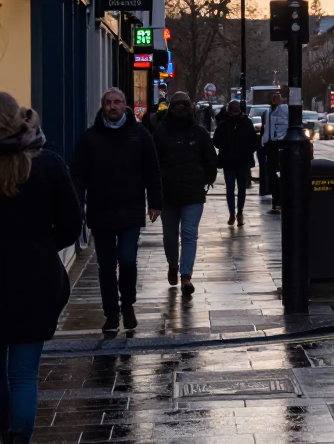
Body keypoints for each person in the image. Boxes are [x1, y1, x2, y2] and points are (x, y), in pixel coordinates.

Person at [0, 95, 82, 444]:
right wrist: (43, 247)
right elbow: (70, 225)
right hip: (35, 282)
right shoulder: (48, 165)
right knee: (23, 374)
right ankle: (19, 437)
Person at [69, 88, 162, 331]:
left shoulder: (139, 134)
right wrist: (78, 204)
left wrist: (155, 202)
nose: (113, 106)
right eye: (109, 102)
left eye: (117, 102)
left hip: (130, 208)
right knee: (107, 265)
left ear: (125, 105)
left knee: (128, 260)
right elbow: (78, 175)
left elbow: (152, 170)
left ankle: (128, 303)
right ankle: (111, 313)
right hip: (101, 211)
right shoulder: (90, 138)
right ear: (103, 106)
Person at [153, 92, 217, 296]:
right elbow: (152, 163)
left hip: (192, 194)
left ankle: (186, 275)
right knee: (170, 237)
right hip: (168, 195)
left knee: (189, 235)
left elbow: (210, 160)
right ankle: (173, 264)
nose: (180, 107)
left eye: (184, 104)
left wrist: (205, 179)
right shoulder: (161, 133)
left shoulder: (199, 133)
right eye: (177, 104)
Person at [213, 100, 257, 227]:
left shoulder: (224, 124)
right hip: (241, 161)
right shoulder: (246, 123)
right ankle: (239, 213)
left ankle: (233, 213)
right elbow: (254, 142)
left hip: (229, 161)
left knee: (231, 189)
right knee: (241, 189)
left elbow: (216, 142)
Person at [260, 92, 288, 214]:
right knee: (272, 174)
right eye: (274, 98)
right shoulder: (268, 112)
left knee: (280, 174)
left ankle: (279, 200)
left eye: (278, 97)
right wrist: (264, 141)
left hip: (280, 143)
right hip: (270, 144)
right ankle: (276, 200)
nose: (275, 99)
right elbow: (266, 128)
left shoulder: (285, 110)